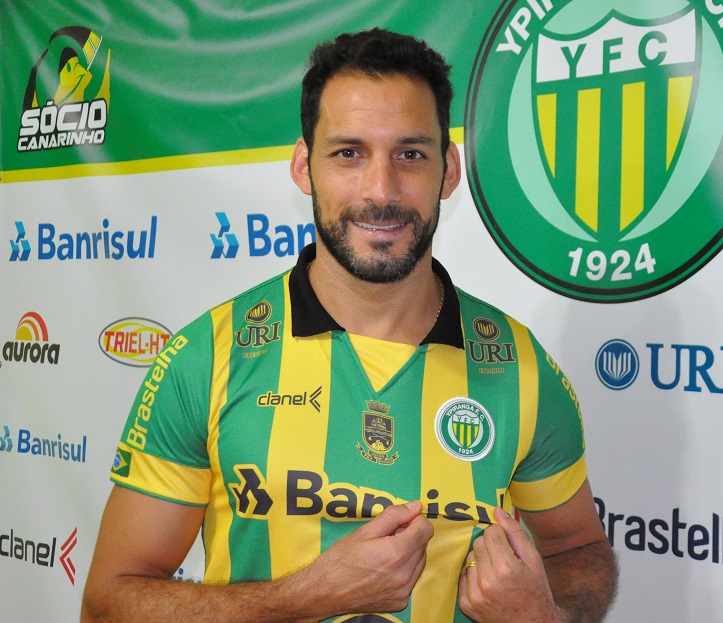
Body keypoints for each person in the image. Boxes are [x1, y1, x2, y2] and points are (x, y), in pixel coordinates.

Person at [81, 28, 617, 623]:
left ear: (449, 170)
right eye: (348, 154)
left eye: (410, 154)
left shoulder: (519, 367)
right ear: (303, 166)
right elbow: (109, 604)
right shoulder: (208, 357)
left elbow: (579, 550)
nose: (381, 191)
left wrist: (546, 616)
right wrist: (305, 596)